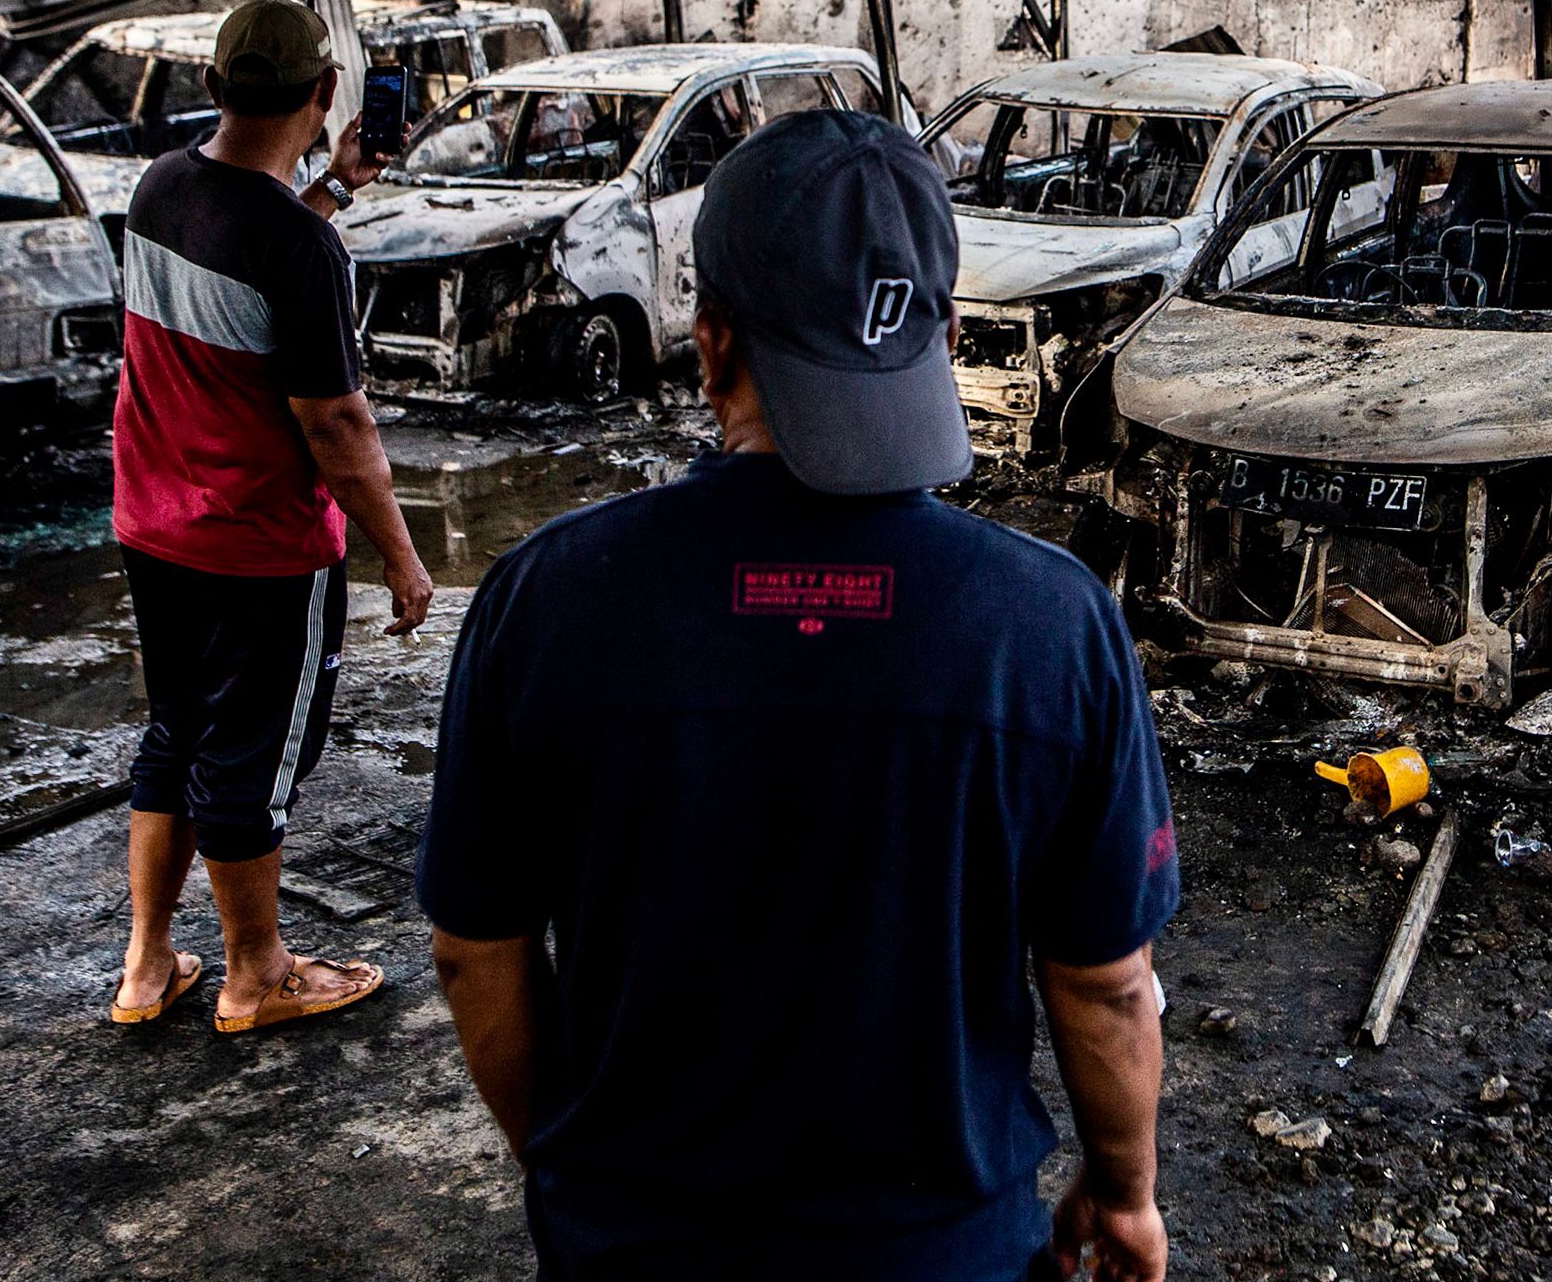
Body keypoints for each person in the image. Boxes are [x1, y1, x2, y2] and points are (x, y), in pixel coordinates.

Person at [422, 108, 1178, 1282]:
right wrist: (1124, 1189)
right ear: (940, 331)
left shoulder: (547, 598)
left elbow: (477, 948)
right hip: (948, 1256)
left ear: (712, 342)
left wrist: (572, 1168)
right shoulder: (1050, 622)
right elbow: (1105, 978)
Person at [108, 0, 435, 1034]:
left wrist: (332, 185)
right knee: (250, 753)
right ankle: (258, 971)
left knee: (179, 728)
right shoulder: (299, 246)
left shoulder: (160, 186)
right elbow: (337, 422)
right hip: (257, 542)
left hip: (152, 520)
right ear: (324, 91)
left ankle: (148, 964)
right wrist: (401, 555)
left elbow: (248, 267)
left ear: (210, 87)